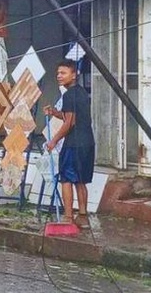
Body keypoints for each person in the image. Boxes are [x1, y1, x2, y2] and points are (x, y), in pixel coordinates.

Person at [43, 59, 95, 228]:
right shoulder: (81, 93)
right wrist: (55, 113)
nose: (59, 76)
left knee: (66, 179)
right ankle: (82, 216)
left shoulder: (69, 95)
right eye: (58, 73)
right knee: (81, 181)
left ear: (74, 75)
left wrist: (53, 141)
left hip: (73, 143)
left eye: (63, 73)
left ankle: (67, 217)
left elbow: (69, 123)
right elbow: (70, 117)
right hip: (87, 143)